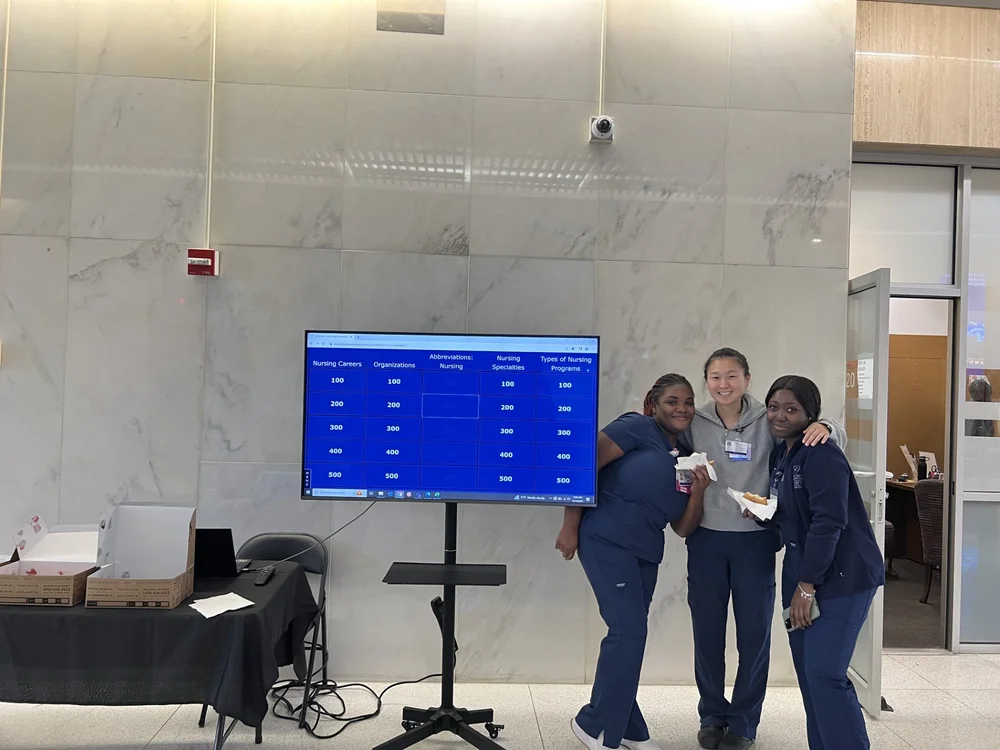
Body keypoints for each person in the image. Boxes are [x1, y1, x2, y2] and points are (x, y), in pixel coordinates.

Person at [686, 349, 845, 750]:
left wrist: (826, 424)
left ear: (747, 379)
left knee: (754, 637)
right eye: (715, 377)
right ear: (706, 382)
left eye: (732, 376)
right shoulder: (695, 421)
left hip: (756, 541)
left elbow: (824, 437)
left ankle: (743, 723)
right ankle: (711, 715)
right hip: (705, 540)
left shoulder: (768, 417)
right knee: (707, 634)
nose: (723, 384)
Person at [555, 374, 713, 750]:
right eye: (673, 401)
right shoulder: (636, 427)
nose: (682, 409)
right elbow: (583, 464)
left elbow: (682, 528)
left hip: (645, 552)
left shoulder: (685, 454)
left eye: (689, 402)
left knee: (631, 634)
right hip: (607, 540)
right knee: (628, 631)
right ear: (652, 404)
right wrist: (570, 526)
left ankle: (629, 728)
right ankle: (592, 723)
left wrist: (698, 492)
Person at [759, 375, 884, 750]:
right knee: (809, 675)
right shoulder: (782, 454)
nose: (780, 416)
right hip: (800, 572)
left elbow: (829, 522)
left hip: (842, 578)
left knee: (825, 672)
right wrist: (763, 513)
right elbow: (793, 509)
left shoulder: (822, 451)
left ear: (810, 414)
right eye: (774, 407)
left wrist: (807, 586)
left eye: (791, 409)